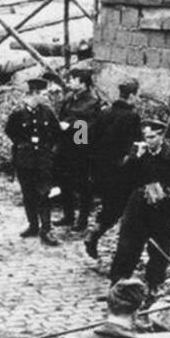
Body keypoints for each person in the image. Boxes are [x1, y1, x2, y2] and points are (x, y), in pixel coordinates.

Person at [108, 119, 170, 298]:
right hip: (138, 205)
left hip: (162, 207)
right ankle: (119, 283)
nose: (149, 141)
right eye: (146, 136)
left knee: (159, 247)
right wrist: (134, 158)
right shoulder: (138, 151)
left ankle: (154, 284)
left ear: (162, 136)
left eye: (153, 137)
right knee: (127, 244)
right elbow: (123, 177)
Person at [85, 78, 143, 259]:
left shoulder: (105, 112)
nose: (138, 99)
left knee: (110, 205)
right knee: (120, 209)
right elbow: (136, 145)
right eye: (137, 95)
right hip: (122, 173)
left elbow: (88, 137)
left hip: (101, 171)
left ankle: (95, 233)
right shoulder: (132, 117)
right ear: (132, 95)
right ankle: (98, 236)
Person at [4, 75, 60, 246]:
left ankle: (46, 230)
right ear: (33, 94)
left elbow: (56, 132)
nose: (46, 96)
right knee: (28, 195)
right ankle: (33, 226)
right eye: (43, 93)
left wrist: (49, 149)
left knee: (44, 194)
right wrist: (22, 144)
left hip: (43, 160)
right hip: (25, 161)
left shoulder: (47, 112)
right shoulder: (18, 114)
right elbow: (10, 131)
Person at [54, 65, 103, 231]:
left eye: (73, 79)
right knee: (63, 182)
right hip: (64, 147)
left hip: (80, 150)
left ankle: (82, 220)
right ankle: (68, 216)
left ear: (83, 83)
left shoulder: (92, 102)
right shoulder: (70, 98)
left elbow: (91, 127)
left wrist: (71, 126)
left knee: (82, 185)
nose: (69, 82)